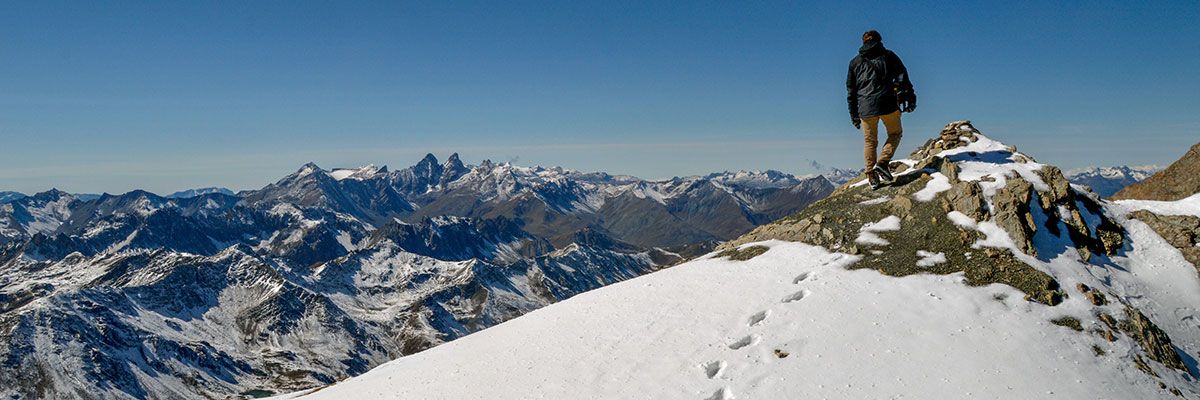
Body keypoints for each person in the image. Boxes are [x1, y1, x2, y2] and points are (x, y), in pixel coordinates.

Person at [847, 30, 915, 190]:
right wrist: (910, 96)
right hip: (888, 103)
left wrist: (853, 115)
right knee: (895, 133)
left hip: (865, 108)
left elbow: (851, 91)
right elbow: (903, 77)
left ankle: (871, 175)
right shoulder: (889, 56)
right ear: (880, 40)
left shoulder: (854, 63)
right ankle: (883, 163)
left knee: (870, 141)